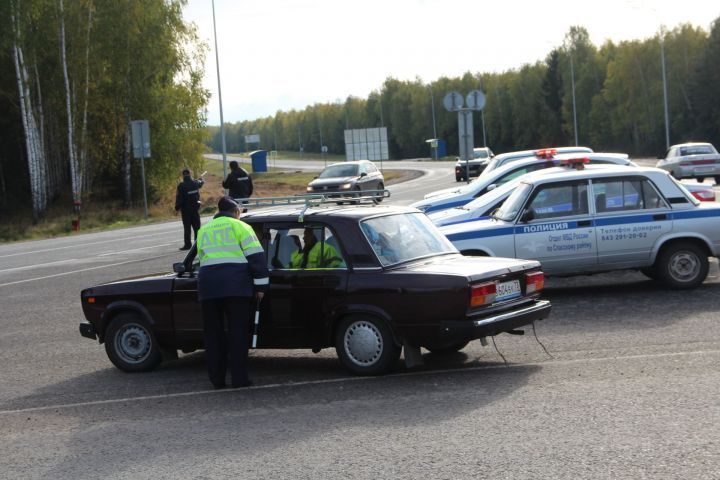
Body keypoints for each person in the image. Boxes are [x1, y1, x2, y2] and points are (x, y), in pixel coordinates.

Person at [196, 196, 269, 389]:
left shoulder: (204, 230)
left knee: (213, 335)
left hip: (209, 288)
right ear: (236, 211)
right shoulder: (241, 227)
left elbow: (201, 259)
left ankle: (217, 380)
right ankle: (239, 379)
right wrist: (261, 287)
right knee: (238, 334)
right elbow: (256, 258)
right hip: (236, 287)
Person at [175, 168, 204, 250]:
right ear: (190, 174)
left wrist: (177, 208)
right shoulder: (195, 183)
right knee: (197, 227)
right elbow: (200, 184)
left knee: (187, 228)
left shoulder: (181, 185)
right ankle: (197, 244)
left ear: (183, 175)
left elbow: (179, 197)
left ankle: (188, 245)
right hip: (195, 209)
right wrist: (201, 180)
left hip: (186, 210)